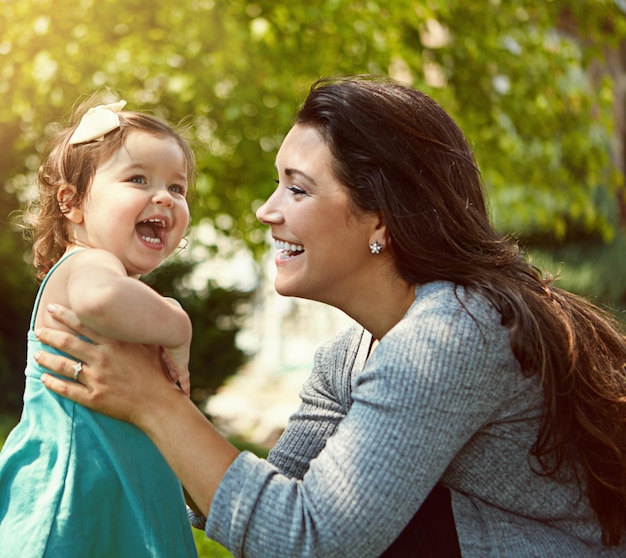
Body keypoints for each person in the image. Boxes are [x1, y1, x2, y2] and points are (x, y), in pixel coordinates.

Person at [35, 75, 626, 557]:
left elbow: (308, 540)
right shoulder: (349, 356)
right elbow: (272, 504)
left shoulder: (452, 333)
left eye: (297, 189)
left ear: (381, 219)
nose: (267, 212)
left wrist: (156, 403)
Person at [0, 97, 199, 557]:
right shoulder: (87, 264)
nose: (164, 197)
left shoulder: (116, 280)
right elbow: (100, 299)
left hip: (115, 496)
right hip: (73, 503)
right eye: (137, 179)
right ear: (72, 202)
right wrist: (177, 324)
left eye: (177, 187)